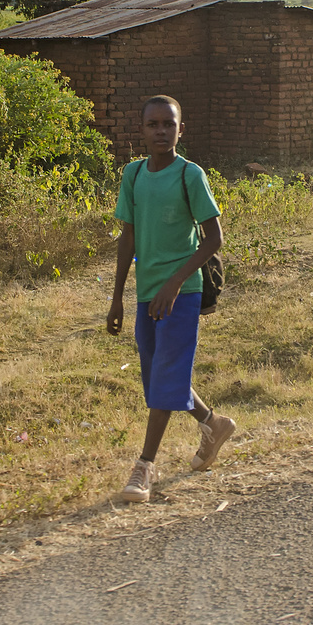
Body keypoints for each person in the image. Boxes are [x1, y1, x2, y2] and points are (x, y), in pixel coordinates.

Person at [106, 95, 237, 503]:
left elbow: (214, 238)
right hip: (148, 294)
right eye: (153, 124)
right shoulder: (133, 175)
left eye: (169, 124)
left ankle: (143, 468)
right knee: (158, 379)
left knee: (164, 377)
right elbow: (127, 237)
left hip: (182, 292)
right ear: (142, 130)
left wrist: (177, 282)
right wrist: (117, 299)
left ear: (182, 129)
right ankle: (213, 423)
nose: (161, 131)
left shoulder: (190, 175)